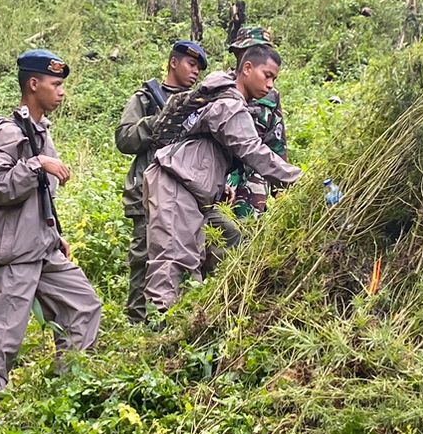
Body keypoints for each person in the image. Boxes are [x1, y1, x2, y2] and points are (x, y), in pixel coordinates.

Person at [0, 50, 102, 401]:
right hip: (15, 249)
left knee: (82, 305)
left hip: (41, 244)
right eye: (55, 84)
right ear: (33, 84)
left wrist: (56, 234)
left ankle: (70, 384)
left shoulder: (39, 131)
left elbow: (41, 198)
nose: (61, 91)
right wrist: (37, 164)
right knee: (1, 331)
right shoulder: (9, 132)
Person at [143, 44, 302, 310]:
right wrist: (300, 178)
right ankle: (158, 336)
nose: (271, 85)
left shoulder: (224, 99)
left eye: (274, 79)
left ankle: (176, 339)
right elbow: (254, 151)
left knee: (188, 267)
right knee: (171, 267)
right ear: (247, 68)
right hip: (175, 186)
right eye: (267, 75)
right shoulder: (229, 105)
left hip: (188, 190)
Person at [115, 39, 208, 323]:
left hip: (185, 193)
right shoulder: (145, 98)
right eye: (191, 65)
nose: (195, 72)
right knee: (144, 257)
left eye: (199, 69)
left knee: (187, 255)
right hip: (147, 192)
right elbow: (124, 138)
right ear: (173, 62)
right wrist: (159, 121)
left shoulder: (197, 101)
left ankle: (174, 319)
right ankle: (137, 322)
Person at [204, 25, 290, 273]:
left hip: (256, 180)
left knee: (249, 240)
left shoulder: (271, 95)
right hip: (222, 178)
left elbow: (276, 141)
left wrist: (280, 189)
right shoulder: (221, 86)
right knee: (216, 242)